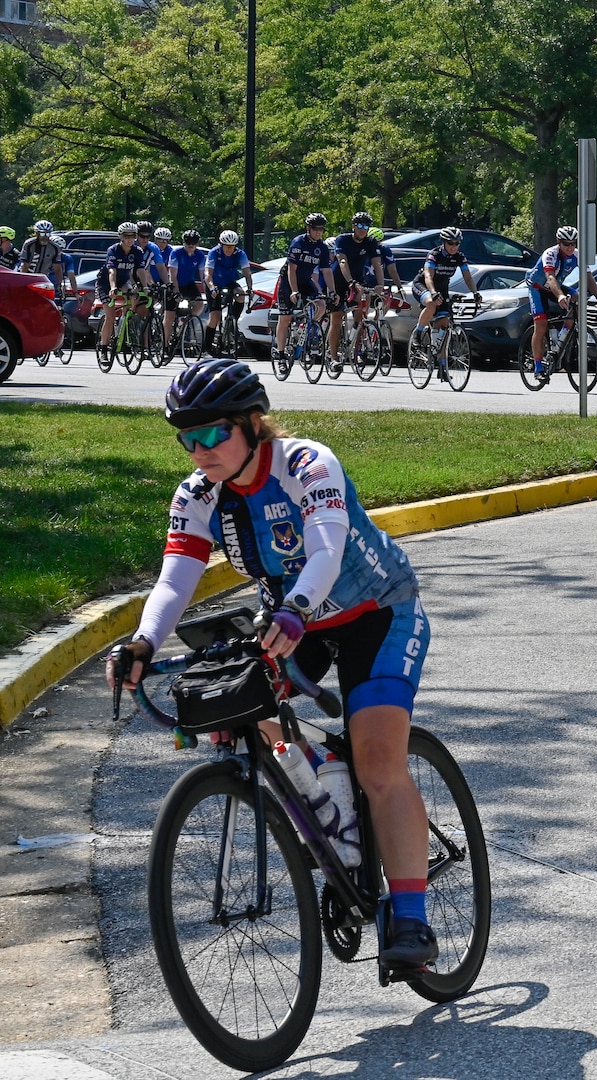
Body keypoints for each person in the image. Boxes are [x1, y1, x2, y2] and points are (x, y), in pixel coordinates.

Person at [104, 358, 441, 970]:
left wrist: (295, 610)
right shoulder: (199, 495)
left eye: (213, 433)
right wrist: (144, 642)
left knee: (379, 761)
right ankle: (328, 803)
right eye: (188, 437)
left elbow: (326, 550)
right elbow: (176, 578)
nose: (200, 449)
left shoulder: (306, 464)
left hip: (376, 610)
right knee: (243, 707)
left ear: (252, 423)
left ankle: (412, 917)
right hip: (289, 617)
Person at [526, 225, 597, 377]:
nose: (570, 247)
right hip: (538, 287)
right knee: (540, 325)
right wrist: (560, 296)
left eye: (573, 243)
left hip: (556, 286)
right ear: (558, 243)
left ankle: (563, 336)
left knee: (577, 297)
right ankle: (538, 366)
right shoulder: (550, 254)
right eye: (566, 244)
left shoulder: (578, 255)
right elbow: (551, 277)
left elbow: (589, 277)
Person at [274, 213, 337, 362]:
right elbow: (292, 270)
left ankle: (303, 327)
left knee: (321, 305)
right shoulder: (298, 242)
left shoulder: (321, 247)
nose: (319, 232)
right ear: (308, 228)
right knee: (285, 317)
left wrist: (333, 291)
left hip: (305, 280)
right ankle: (281, 354)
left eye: (321, 229)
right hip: (288, 280)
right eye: (316, 229)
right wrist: (294, 290)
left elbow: (326, 271)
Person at [411, 226, 481, 347]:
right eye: (450, 243)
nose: (453, 246)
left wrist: (475, 293)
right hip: (423, 284)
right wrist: (433, 293)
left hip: (442, 288)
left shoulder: (460, 257)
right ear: (443, 242)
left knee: (444, 323)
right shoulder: (434, 254)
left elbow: (468, 278)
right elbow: (428, 276)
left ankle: (440, 358)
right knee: (431, 304)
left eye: (457, 243)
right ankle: (418, 332)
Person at [330, 212, 384, 360]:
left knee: (362, 307)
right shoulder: (342, 239)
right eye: (360, 225)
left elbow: (377, 264)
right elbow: (342, 261)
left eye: (366, 226)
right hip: (340, 280)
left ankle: (355, 332)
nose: (362, 229)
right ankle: (334, 357)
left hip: (358, 279)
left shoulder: (371, 242)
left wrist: (381, 285)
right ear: (354, 226)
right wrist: (350, 282)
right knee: (337, 317)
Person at [99, 222, 153, 347]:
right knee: (110, 316)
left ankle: (125, 322)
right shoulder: (113, 250)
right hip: (106, 283)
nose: (130, 239)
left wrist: (145, 287)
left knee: (133, 294)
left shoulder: (137, 251)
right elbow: (112, 271)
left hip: (123, 281)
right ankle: (104, 347)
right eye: (126, 236)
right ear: (121, 237)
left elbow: (140, 270)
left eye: (133, 236)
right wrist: (113, 288)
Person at [204, 230, 255, 356]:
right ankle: (207, 347)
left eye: (231, 247)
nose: (229, 250)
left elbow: (247, 273)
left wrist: (250, 288)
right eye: (226, 247)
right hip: (214, 283)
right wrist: (211, 288)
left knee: (240, 295)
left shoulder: (240, 254)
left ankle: (233, 321)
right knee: (215, 316)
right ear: (221, 245)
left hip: (229, 282)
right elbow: (208, 274)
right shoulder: (214, 253)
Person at [163, 230, 208, 352]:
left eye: (193, 242)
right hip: (175, 283)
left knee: (199, 305)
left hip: (189, 283)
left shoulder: (199, 256)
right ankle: (165, 345)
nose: (191, 245)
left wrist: (208, 290)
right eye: (188, 242)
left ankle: (185, 321)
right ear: (184, 242)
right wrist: (176, 292)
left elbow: (203, 276)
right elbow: (172, 275)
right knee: (169, 317)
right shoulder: (176, 253)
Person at [19, 221, 65, 295]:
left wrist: (60, 285)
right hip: (28, 277)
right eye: (43, 233)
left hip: (43, 280)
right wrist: (21, 282)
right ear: (37, 233)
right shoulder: (29, 244)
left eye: (48, 233)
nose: (45, 236)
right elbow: (25, 265)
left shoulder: (55, 248)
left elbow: (57, 269)